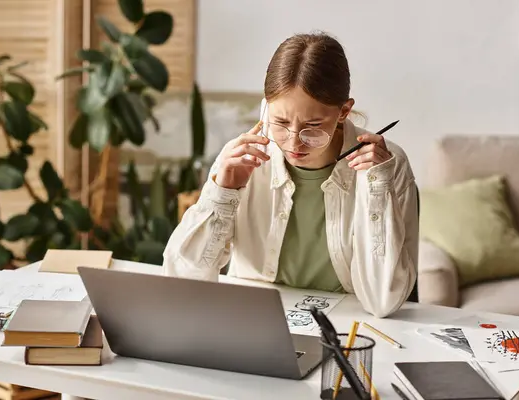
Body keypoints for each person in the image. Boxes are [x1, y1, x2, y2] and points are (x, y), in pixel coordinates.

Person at [163, 32, 418, 318]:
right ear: (265, 108)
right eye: (280, 122)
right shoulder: (240, 158)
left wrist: (377, 188)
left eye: (313, 126)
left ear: (344, 111)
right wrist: (223, 193)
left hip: (346, 329)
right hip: (252, 321)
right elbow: (183, 279)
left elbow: (383, 302)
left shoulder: (386, 165)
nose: (293, 143)